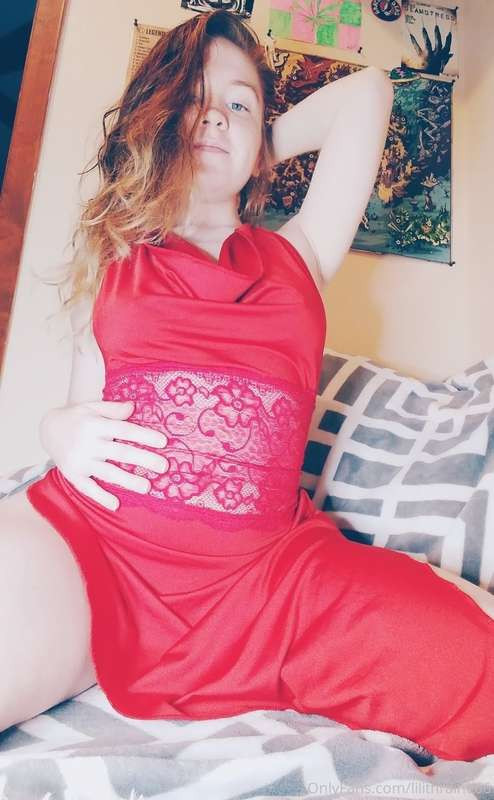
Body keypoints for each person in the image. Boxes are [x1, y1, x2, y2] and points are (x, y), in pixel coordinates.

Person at [1, 9, 493, 761]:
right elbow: (83, 412)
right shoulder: (114, 256)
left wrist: (251, 143)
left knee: (475, 668)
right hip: (100, 551)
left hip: (270, 585)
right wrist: (54, 430)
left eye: (240, 102)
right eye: (193, 99)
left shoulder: (300, 255)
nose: (216, 116)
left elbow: (367, 92)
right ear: (159, 116)